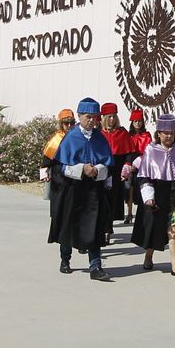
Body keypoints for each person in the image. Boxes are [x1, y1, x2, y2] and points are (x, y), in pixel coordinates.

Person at [49, 98, 115, 281]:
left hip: (93, 190)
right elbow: (58, 168)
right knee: (68, 225)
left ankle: (95, 266)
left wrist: (98, 170)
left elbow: (109, 165)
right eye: (88, 117)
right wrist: (80, 169)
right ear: (79, 116)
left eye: (95, 117)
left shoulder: (100, 138)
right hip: (72, 189)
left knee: (94, 227)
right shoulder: (71, 138)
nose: (92, 121)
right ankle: (65, 259)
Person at [132, 113, 175, 274]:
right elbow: (144, 176)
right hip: (158, 197)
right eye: (166, 133)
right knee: (154, 230)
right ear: (158, 133)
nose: (169, 136)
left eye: (172, 133)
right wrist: (148, 197)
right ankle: (148, 256)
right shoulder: (151, 151)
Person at [99, 103, 132, 236]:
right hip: (103, 169)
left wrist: (127, 166)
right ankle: (103, 227)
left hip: (117, 170)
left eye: (114, 116)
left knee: (113, 199)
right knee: (102, 198)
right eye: (109, 117)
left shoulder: (122, 133)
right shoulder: (99, 134)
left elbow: (129, 152)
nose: (112, 119)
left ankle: (108, 227)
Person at [39, 109, 75, 227]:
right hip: (58, 177)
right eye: (66, 123)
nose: (69, 126)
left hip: (74, 176)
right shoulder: (56, 139)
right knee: (58, 204)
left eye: (71, 123)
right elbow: (46, 159)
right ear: (61, 124)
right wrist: (44, 173)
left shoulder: (76, 137)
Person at [125, 108, 152, 222]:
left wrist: (138, 162)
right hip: (129, 162)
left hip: (142, 163)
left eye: (139, 121)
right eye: (135, 121)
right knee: (128, 188)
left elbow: (148, 151)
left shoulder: (146, 135)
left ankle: (142, 212)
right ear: (132, 122)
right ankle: (129, 213)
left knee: (140, 188)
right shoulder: (128, 135)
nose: (137, 123)